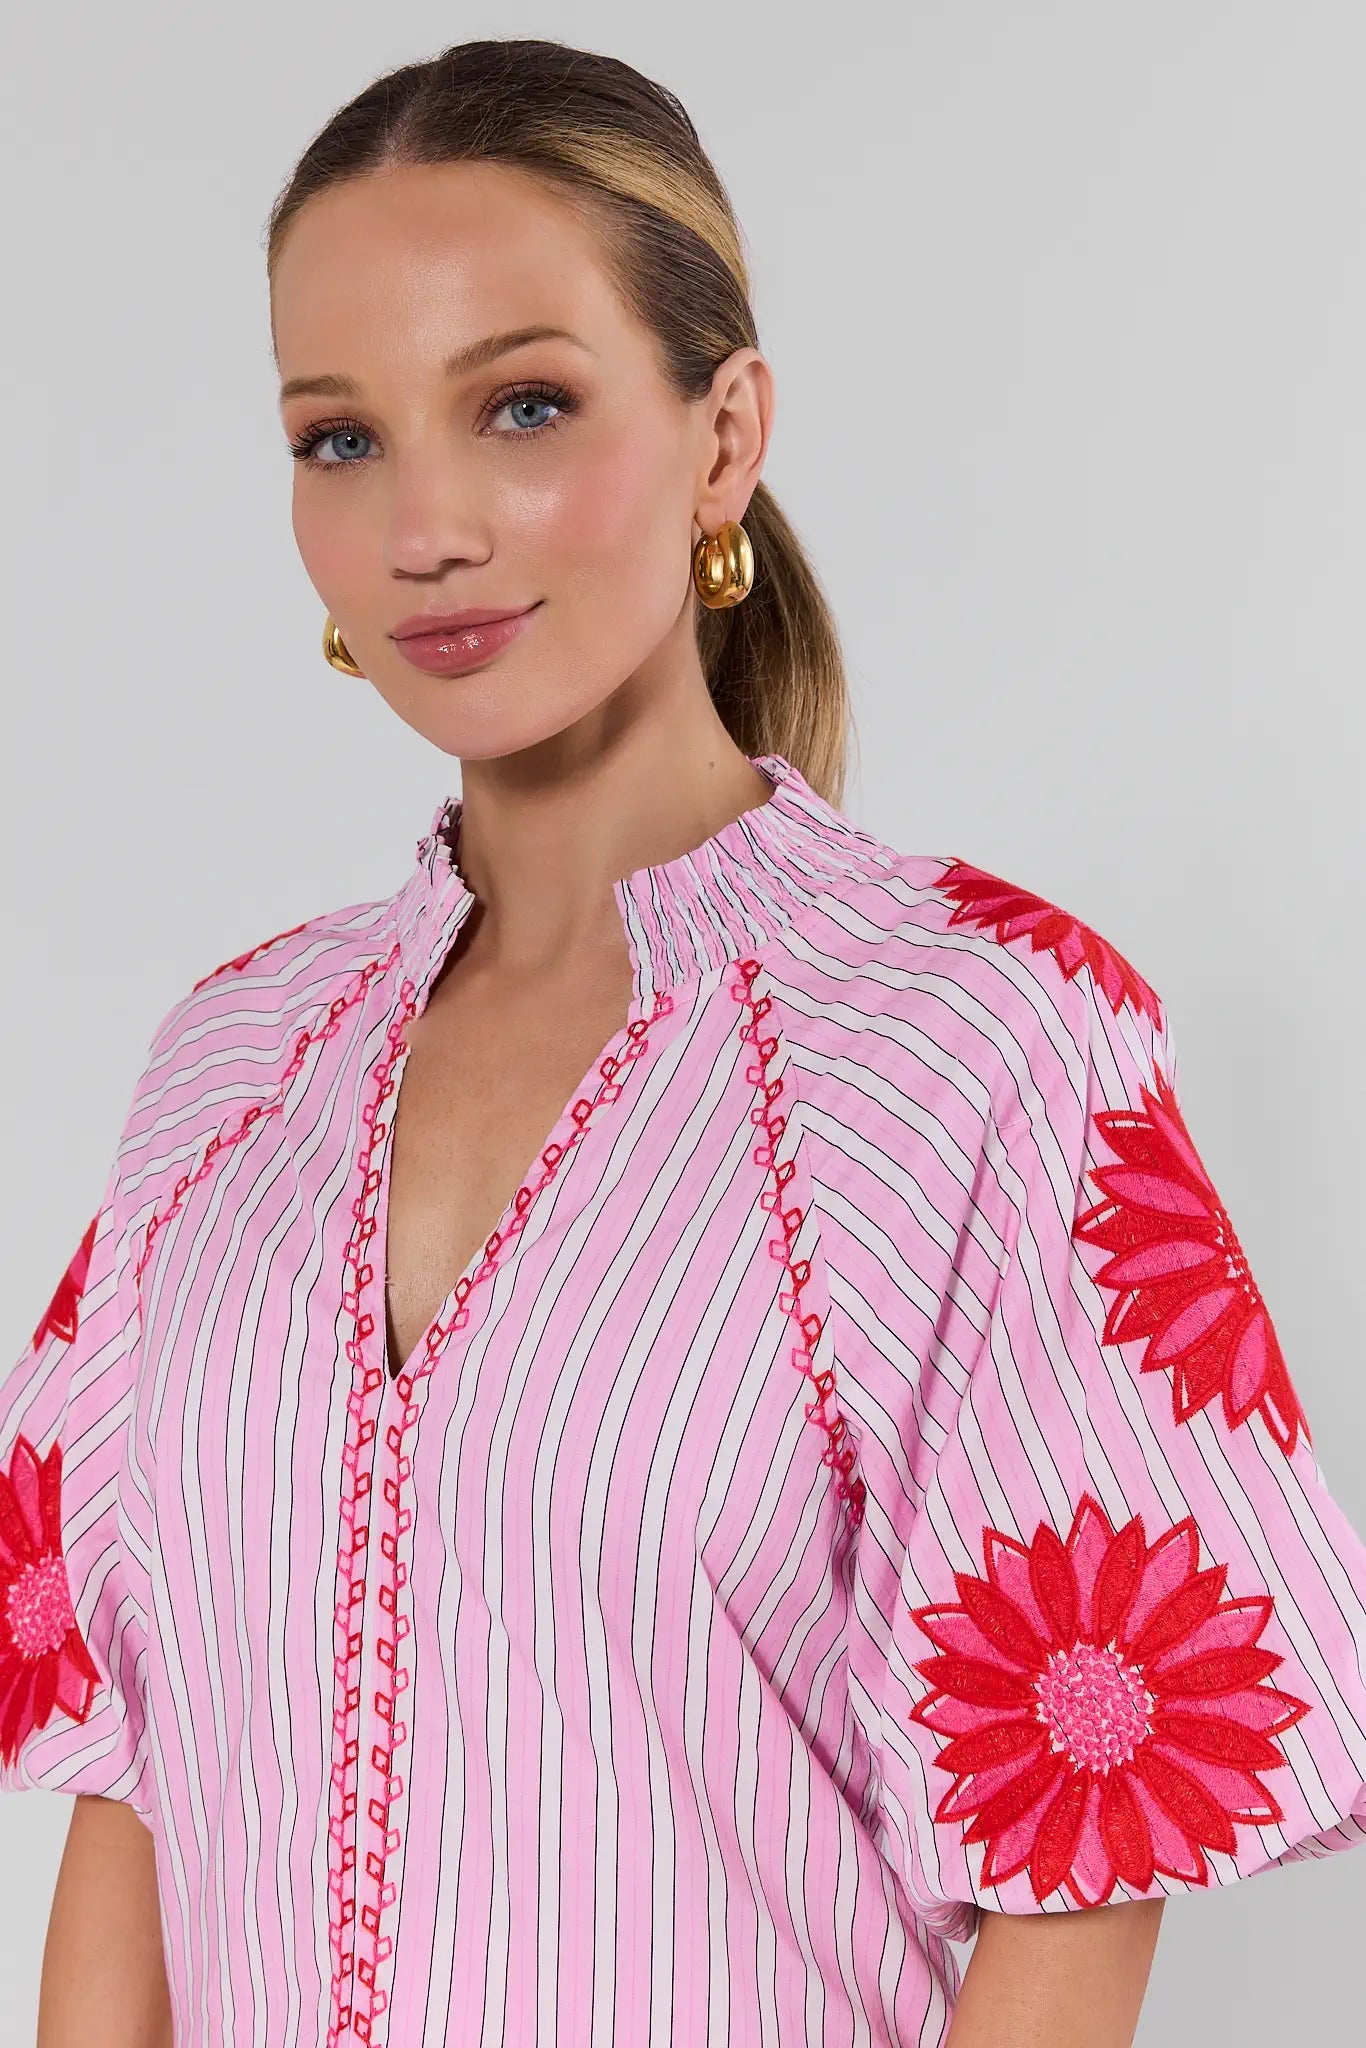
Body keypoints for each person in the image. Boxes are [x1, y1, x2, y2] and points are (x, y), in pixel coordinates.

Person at [3, 36, 1364, 2048]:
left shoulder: (979, 1038)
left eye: (524, 404)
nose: (426, 526)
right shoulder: (224, 1072)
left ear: (722, 433)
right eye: (339, 438)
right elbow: (132, 1765)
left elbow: (1079, 1873)